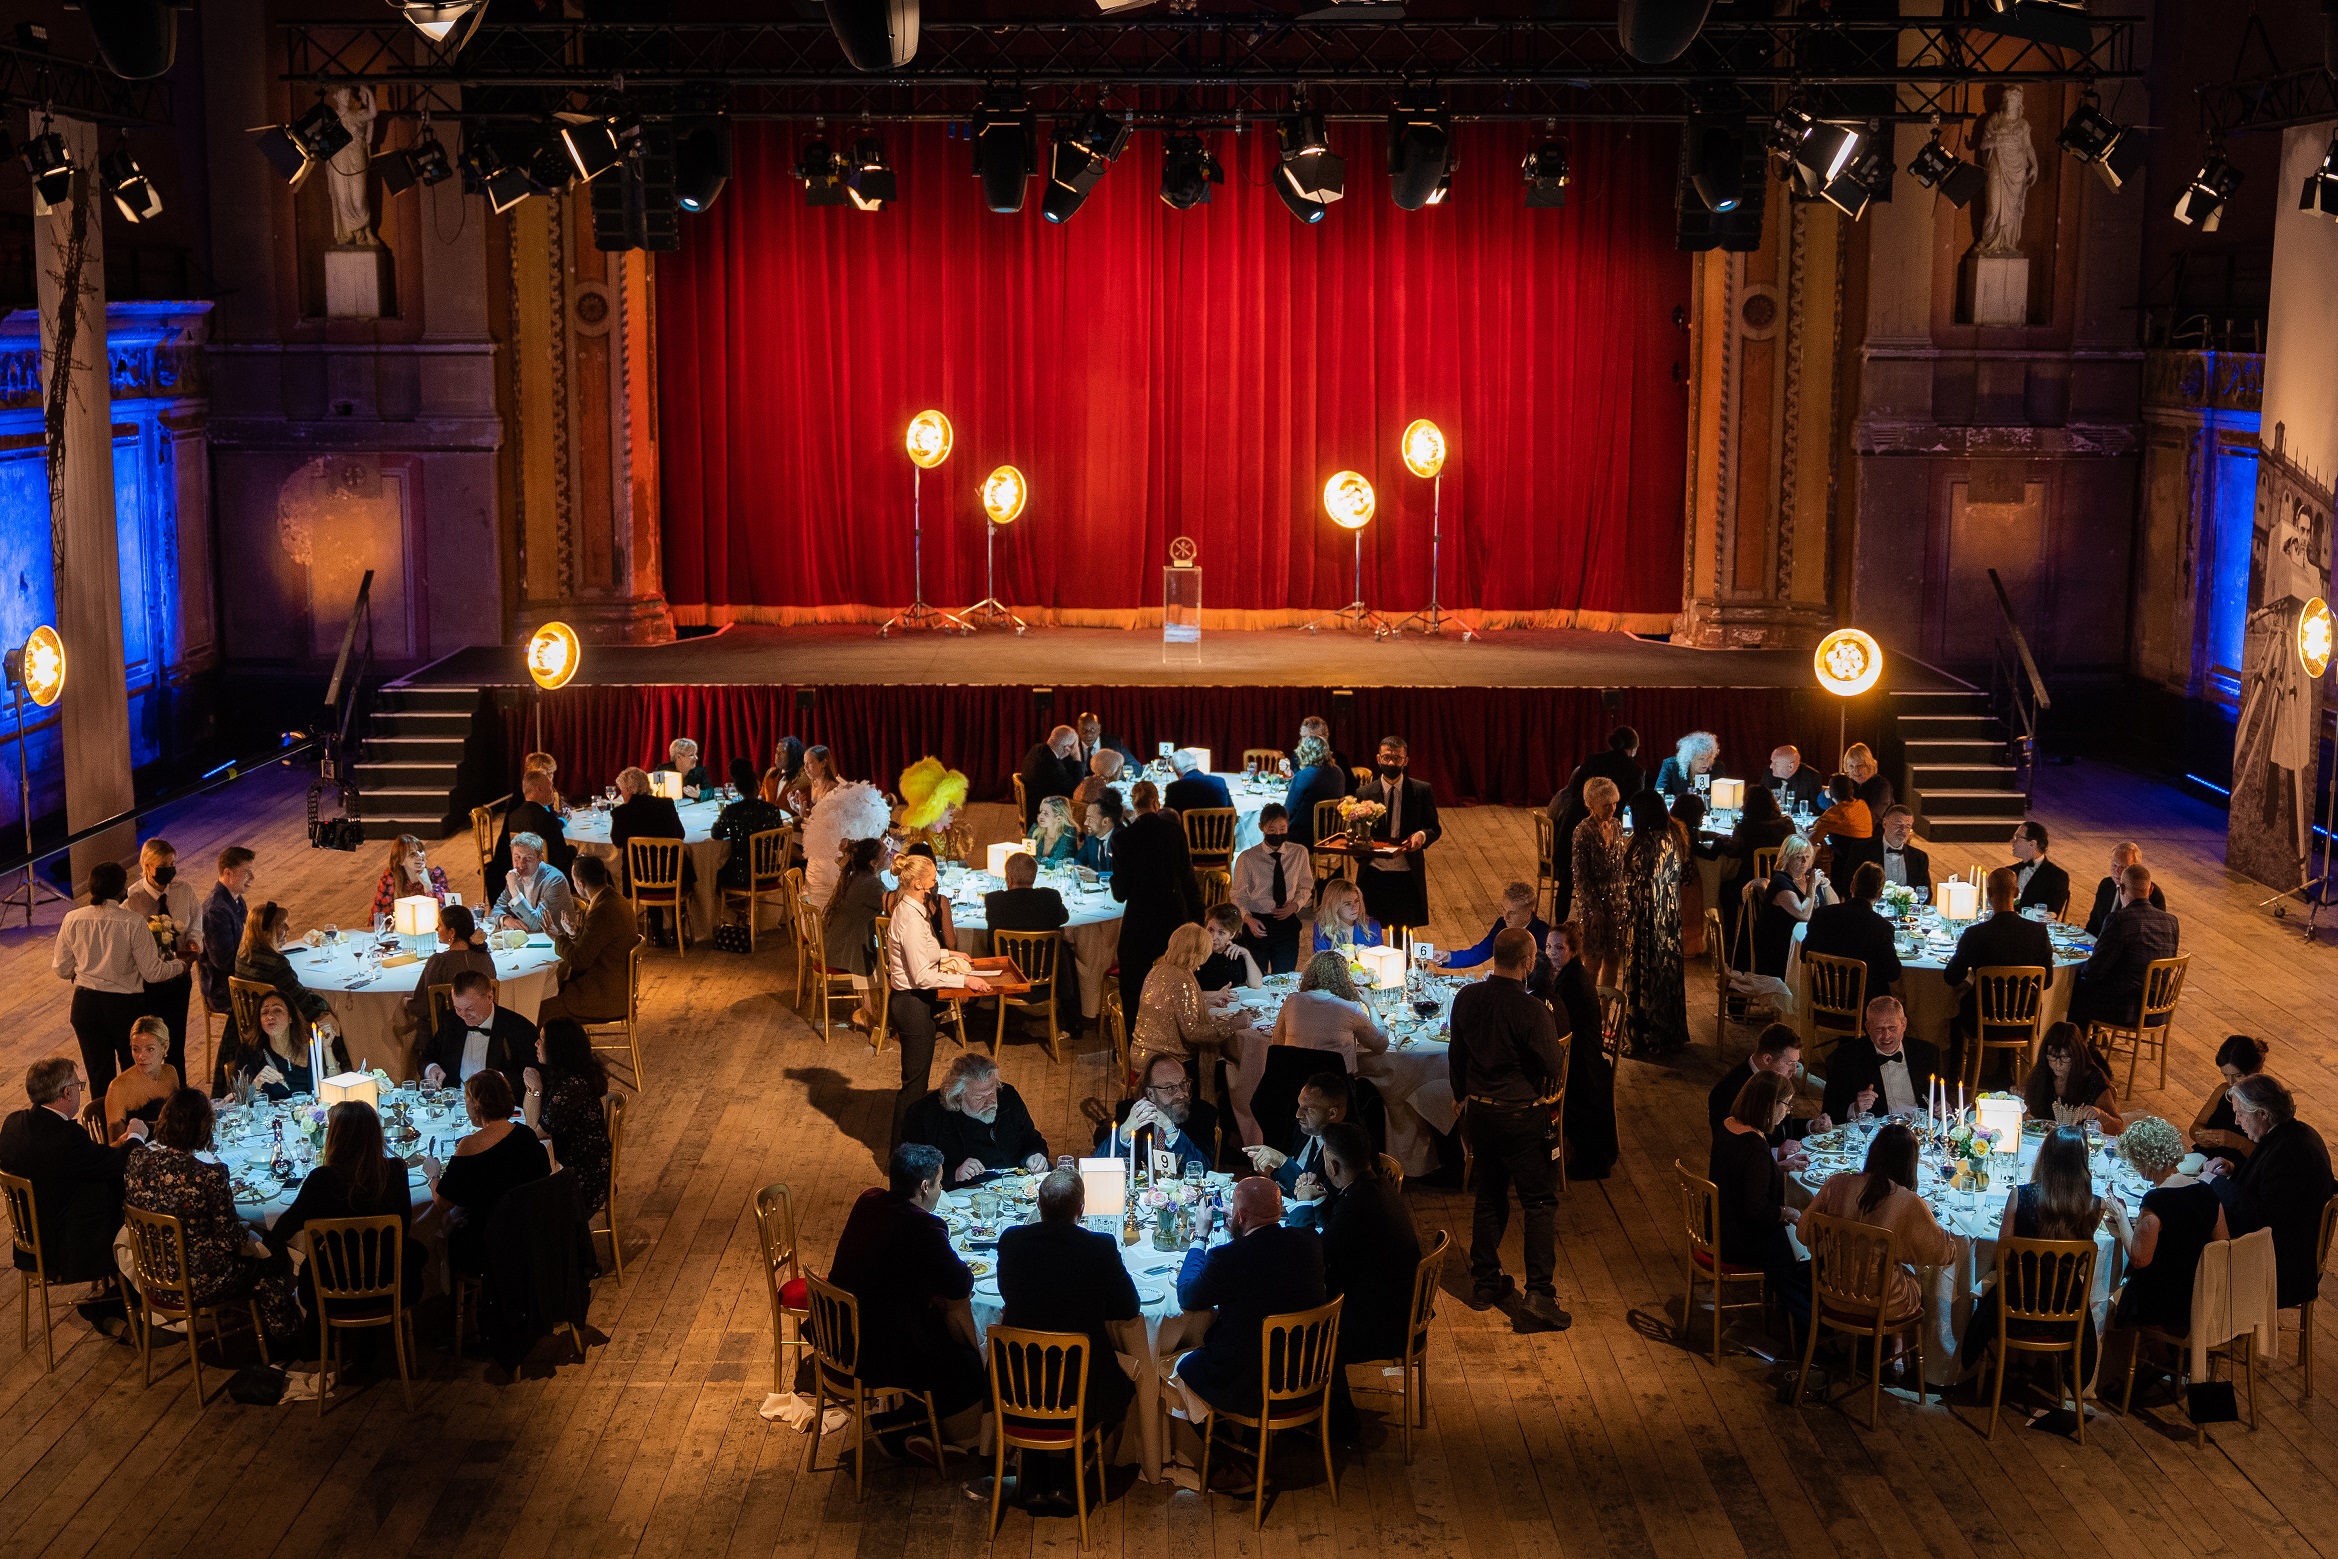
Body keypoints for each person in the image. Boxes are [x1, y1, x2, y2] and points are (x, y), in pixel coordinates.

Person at [1448, 928, 1570, 1327]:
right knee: (1537, 1202)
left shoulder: (1467, 998)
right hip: (1521, 1116)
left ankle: (1484, 1283)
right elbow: (1553, 1066)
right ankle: (1539, 1295)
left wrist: (1460, 1095)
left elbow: (1456, 1055)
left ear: (1495, 955)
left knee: (1488, 1196)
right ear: (1529, 962)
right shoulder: (1532, 1010)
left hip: (1480, 1114)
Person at [995, 1169, 1141, 1505]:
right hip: (1082, 1381)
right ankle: (1071, 1471)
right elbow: (1130, 1306)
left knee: (1036, 1385)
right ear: (1082, 1209)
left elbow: (1007, 1293)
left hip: (1018, 1380)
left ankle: (1032, 1474)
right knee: (1127, 1386)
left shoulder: (1012, 1241)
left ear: (1039, 1206)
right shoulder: (1099, 1247)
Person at [830, 1143, 986, 1454]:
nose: (941, 1189)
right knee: (968, 1363)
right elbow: (959, 1284)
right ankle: (910, 1433)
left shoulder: (869, 1199)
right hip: (874, 1348)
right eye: (940, 1183)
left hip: (836, 1330)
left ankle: (914, 1426)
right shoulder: (924, 1226)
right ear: (925, 1186)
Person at [125, 1088, 301, 1339]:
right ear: (204, 1128)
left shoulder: (136, 1159)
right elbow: (228, 1239)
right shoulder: (209, 1175)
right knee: (275, 1256)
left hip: (154, 1278)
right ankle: (283, 1335)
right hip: (202, 1283)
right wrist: (255, 1238)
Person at [1170, 1177, 1327, 1436]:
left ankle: (1220, 1456)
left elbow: (1188, 1296)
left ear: (1240, 1215)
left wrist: (1199, 1237)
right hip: (1306, 1375)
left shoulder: (1228, 1258)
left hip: (1250, 1385)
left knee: (1181, 1366)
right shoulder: (1310, 1242)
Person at [1, 1058, 143, 1305]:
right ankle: (137, 1298)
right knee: (132, 1210)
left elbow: (78, 1163)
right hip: (64, 1246)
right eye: (79, 1085)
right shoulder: (66, 1138)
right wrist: (135, 1136)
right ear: (67, 1092)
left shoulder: (13, 1123)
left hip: (29, 1240)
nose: (79, 1091)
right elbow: (115, 1166)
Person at [1963, 1127, 2102, 1373]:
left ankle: (2015, 1361)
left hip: (2017, 1305)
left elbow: (2003, 1255)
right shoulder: (2093, 1205)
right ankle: (2028, 1363)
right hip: (2066, 1308)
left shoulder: (2021, 1196)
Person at [1317, 1122, 1420, 1438]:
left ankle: (1338, 1423)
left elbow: (1319, 1256)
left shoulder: (1355, 1206)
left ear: (1334, 1166)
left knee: (1310, 1328)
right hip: (1400, 1307)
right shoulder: (1379, 1187)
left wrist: (1305, 1210)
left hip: (1384, 1326)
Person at [54, 861, 192, 1096]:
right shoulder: (133, 922)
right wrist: (181, 965)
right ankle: (137, 1129)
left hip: (85, 1006)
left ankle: (105, 1127)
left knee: (99, 1078)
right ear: (122, 890)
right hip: (124, 1006)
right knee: (137, 1074)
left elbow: (62, 969)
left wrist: (84, 970)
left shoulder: (72, 918)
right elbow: (153, 972)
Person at [2201, 1073, 2337, 1311]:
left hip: (2281, 1265)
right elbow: (2267, 1181)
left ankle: (2202, 1330)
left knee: (2191, 1247)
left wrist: (2215, 1183)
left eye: (2240, 1113)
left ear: (2263, 1113)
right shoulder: (2289, 1134)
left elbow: (2262, 1218)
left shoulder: (2292, 1152)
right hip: (2282, 1249)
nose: (2236, 1122)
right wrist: (2233, 1170)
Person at [885, 854, 994, 1149]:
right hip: (910, 1004)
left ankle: (910, 1145)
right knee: (914, 1086)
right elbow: (921, 975)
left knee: (916, 1082)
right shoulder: (909, 917)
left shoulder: (914, 908)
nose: (935, 882)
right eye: (932, 878)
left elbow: (921, 954)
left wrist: (950, 955)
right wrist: (965, 980)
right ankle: (901, 1152)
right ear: (919, 883)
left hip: (915, 1002)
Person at [271, 1100, 424, 1307]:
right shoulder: (395, 1171)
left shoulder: (322, 1179)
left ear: (335, 1137)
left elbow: (282, 1230)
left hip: (333, 1288)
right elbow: (402, 1227)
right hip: (390, 1281)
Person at [1807, 1123, 1955, 1320]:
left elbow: (1803, 1233)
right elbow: (1943, 1254)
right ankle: (1897, 1346)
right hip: (1884, 1304)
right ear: (1910, 1162)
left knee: (1897, 1270)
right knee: (1916, 1280)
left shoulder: (1836, 1184)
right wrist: (1930, 1219)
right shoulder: (1907, 1202)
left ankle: (1871, 1345)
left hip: (1833, 1292)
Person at [2106, 1115, 2227, 1333]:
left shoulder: (2156, 1201)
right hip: (2201, 1296)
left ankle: (2152, 1359)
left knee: (2109, 1301)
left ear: (2145, 1161)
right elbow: (2222, 1244)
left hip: (2163, 1302)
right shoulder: (2207, 1192)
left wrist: (2120, 1213)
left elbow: (2140, 1258)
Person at [433, 1068, 553, 1278]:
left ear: (477, 1104)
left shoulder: (469, 1147)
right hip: (532, 1237)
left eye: (466, 1099)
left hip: (488, 1246)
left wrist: (432, 1175)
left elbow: (443, 1203)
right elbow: (545, 1174)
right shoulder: (526, 1135)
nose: (466, 1105)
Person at [1711, 1071, 1809, 1323]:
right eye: (1786, 1104)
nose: (1788, 1112)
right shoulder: (1755, 1146)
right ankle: (1807, 1323)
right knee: (1805, 1253)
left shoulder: (1729, 1125)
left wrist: (1779, 1166)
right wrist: (1790, 1212)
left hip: (1721, 1224)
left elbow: (1741, 1176)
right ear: (1769, 1104)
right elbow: (1757, 1210)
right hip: (1742, 1240)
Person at [1110, 780, 1202, 1022]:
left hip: (1140, 922)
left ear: (1134, 804)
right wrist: (1197, 918)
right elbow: (1187, 878)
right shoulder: (1174, 832)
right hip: (1173, 917)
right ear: (1155, 802)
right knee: (1176, 980)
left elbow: (1120, 893)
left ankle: (1135, 1040)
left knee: (1133, 985)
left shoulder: (1122, 840)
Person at [1530, 922, 1615, 1179]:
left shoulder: (1572, 982)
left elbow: (1557, 1027)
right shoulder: (1567, 974)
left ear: (1574, 950)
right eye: (1547, 946)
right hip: (1582, 1054)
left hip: (1581, 1063)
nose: (1552, 952)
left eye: (1559, 947)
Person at [902, 1053, 1049, 1189]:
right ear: (958, 1096)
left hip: (1016, 1183)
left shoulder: (1008, 1097)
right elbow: (911, 1175)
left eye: (992, 1092)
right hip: (962, 1192)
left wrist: (1035, 1154)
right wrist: (955, 1173)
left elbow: (1032, 1140)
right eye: (979, 1098)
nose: (989, 1102)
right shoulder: (924, 1116)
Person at [124, 838, 201, 1081]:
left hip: (179, 977)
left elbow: (196, 925)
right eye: (163, 864)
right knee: (151, 1042)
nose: (170, 868)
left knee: (176, 1042)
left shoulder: (184, 891)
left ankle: (179, 1093)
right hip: (149, 983)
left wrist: (193, 942)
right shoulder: (132, 900)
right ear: (147, 867)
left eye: (172, 863)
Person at [232, 900, 345, 1064]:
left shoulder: (242, 956)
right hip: (279, 1028)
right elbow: (302, 1003)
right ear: (268, 932)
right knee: (334, 1027)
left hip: (249, 1025)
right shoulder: (276, 964)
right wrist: (324, 1007)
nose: (288, 930)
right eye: (282, 925)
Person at [1942, 868, 2054, 1032]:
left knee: (1956, 1006)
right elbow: (2047, 982)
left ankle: (1956, 1057)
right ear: (2016, 893)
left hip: (1981, 1018)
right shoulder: (2038, 933)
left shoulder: (1975, 934)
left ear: (1988, 893)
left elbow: (1951, 977)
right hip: (2024, 1018)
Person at [1620, 789, 1689, 1056]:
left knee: (1645, 972)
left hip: (1646, 919)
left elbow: (1637, 879)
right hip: (1667, 917)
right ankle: (1667, 1033)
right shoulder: (1673, 834)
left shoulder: (1647, 842)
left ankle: (1644, 1037)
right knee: (1665, 973)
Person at [1349, 735, 1440, 936]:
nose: (1391, 763)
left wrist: (1422, 835)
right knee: (1366, 932)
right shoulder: (1364, 792)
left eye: (1397, 759)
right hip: (1373, 872)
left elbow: (1434, 828)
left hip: (1405, 874)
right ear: (1378, 758)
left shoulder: (1420, 790)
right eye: (1387, 757)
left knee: (1403, 935)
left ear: (1405, 761)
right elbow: (1355, 832)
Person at [2069, 863, 2179, 1028]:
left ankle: (2080, 1046)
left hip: (2125, 1009)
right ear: (2150, 889)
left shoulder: (2119, 920)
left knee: (2073, 990)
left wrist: (2075, 970)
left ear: (2120, 888)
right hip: (2158, 1008)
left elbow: (2095, 970)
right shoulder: (2171, 921)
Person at [523, 1018, 613, 1219]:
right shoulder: (562, 1077)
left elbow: (535, 1133)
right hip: (570, 1167)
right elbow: (532, 1124)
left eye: (542, 1040)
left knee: (520, 1199)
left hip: (583, 1179)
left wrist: (535, 1089)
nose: (536, 1044)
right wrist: (533, 1090)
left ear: (559, 1048)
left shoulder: (573, 1088)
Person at [1132, 922, 1242, 1084]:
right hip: (1164, 1061)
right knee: (1231, 1069)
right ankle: (1211, 1108)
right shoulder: (1182, 979)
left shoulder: (1158, 969)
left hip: (1139, 1053)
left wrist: (1205, 1002)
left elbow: (1170, 1010)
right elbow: (1193, 1033)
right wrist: (1235, 1024)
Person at [536, 854, 639, 1025]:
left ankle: (552, 1052)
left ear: (581, 884)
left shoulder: (602, 911)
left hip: (603, 997)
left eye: (574, 881)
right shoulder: (614, 899)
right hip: (616, 988)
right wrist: (575, 932)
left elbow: (578, 960)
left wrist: (557, 936)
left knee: (534, 1013)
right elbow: (598, 943)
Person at [1243, 1072, 1354, 1220]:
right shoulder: (1300, 1130)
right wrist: (1273, 1170)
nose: (1298, 1114)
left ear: (1332, 1114)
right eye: (1299, 1105)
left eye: (1308, 1109)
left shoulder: (1345, 1147)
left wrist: (1283, 1162)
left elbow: (1314, 1196)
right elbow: (1292, 1187)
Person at [1820, 997, 1941, 1123]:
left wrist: (1944, 1107)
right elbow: (1829, 1112)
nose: (1886, 1035)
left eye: (1892, 1028)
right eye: (1879, 1029)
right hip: (1876, 1136)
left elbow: (1943, 1095)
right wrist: (1855, 1109)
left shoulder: (1928, 1053)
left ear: (1903, 1024)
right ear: (1868, 1028)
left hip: (1918, 1131)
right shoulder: (1846, 1057)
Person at [1707, 1024, 1828, 1146]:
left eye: (1796, 1063)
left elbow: (1781, 1129)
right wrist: (1777, 1155)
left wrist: (1810, 1126)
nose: (1794, 1070)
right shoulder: (1727, 1091)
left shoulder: (1778, 1079)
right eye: (1790, 1063)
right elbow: (1731, 1147)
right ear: (1767, 1059)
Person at [1097, 1053, 1220, 1172]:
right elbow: (1098, 1164)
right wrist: (1125, 1130)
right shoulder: (1130, 1111)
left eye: (1183, 1084)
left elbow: (1203, 1170)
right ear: (1151, 1094)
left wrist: (1170, 1130)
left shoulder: (1202, 1113)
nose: (1182, 1094)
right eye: (1170, 1088)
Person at [423, 969, 537, 1098]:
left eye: (470, 1009)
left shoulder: (518, 1027)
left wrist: (501, 1080)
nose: (463, 1015)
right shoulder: (451, 1022)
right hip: (454, 1103)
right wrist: (431, 1068)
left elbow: (536, 1075)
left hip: (498, 1105)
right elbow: (426, 1056)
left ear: (489, 997)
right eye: (458, 1008)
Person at [1800, 861, 1902, 1005]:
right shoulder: (1882, 927)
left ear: (1852, 887)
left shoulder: (1822, 915)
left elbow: (1804, 955)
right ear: (1879, 894)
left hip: (1824, 1000)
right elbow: (1893, 973)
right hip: (1866, 1007)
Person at [1229, 802, 1312, 975]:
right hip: (1258, 922)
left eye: (1282, 828)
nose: (1278, 834)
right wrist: (1248, 919)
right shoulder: (1248, 858)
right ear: (1262, 828)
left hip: (1286, 920)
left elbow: (1305, 885)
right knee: (1255, 976)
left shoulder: (1299, 853)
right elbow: (1238, 895)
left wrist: (1295, 905)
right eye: (1272, 830)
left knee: (1284, 976)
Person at [1272, 951, 1389, 1071]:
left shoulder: (1292, 1001)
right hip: (1336, 1085)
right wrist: (1371, 1005)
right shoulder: (1349, 1009)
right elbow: (1381, 1045)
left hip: (1295, 1081)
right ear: (1343, 978)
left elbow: (1277, 1041)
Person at [1715, 785, 1795, 961]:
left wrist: (1722, 841)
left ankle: (1731, 942)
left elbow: (1732, 851)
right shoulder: (1787, 824)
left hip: (1750, 884)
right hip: (1782, 884)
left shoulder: (1745, 827)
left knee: (1725, 891)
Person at [608, 767, 686, 941]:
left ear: (632, 789)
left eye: (623, 790)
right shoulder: (666, 805)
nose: (622, 795)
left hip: (639, 879)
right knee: (681, 870)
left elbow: (618, 842)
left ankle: (657, 934)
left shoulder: (622, 813)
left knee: (647, 871)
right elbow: (680, 835)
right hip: (672, 876)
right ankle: (677, 932)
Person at [199, 846, 256, 1075]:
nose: (252, 878)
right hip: (224, 989)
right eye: (246, 872)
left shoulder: (237, 901)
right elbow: (224, 962)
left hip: (237, 978)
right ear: (228, 873)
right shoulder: (216, 910)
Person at [824, 836, 889, 1030]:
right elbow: (895, 907)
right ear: (873, 862)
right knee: (886, 958)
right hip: (844, 950)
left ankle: (871, 1008)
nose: (891, 856)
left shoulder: (860, 877)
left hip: (838, 942)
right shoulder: (870, 885)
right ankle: (872, 1012)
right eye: (886, 854)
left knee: (877, 949)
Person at [1568, 776, 1627, 989]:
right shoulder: (1583, 831)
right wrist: (1594, 910)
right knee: (1592, 962)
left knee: (1613, 960)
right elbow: (1580, 876)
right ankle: (1590, 1010)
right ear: (1591, 804)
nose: (1612, 808)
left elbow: (1622, 866)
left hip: (1618, 905)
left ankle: (1605, 1011)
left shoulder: (1618, 826)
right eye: (1606, 804)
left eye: (1614, 803)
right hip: (1594, 909)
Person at [239, 990, 350, 1099]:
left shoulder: (312, 1045)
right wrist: (257, 1083)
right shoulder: (249, 1052)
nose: (270, 1016)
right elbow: (242, 1102)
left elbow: (337, 1088)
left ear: (291, 1018)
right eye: (264, 1012)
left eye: (277, 1010)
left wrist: (327, 1049)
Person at [1752, 836, 1834, 980]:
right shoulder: (1780, 882)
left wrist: (1825, 885)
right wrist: (1813, 885)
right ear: (1787, 858)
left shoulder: (1807, 879)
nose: (1804, 862)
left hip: (1804, 943)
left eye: (1807, 857)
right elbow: (1803, 914)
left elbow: (1834, 907)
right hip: (1781, 951)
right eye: (1799, 857)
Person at [406, 903, 497, 1028]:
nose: (436, 929)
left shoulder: (440, 962)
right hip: (485, 1027)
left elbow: (422, 1008)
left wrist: (405, 1003)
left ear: (452, 932)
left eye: (440, 925)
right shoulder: (484, 957)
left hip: (448, 1035)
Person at [2022, 1021, 2124, 1131]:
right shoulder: (2043, 1071)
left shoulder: (2093, 1079)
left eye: (2065, 1058)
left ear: (2076, 1056)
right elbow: (2029, 1113)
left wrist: (2101, 1114)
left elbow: (2118, 1128)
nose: (2057, 1064)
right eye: (2052, 1057)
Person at [712, 757, 790, 892]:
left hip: (740, 875)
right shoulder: (771, 809)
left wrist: (733, 832)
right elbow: (780, 841)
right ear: (757, 785)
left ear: (737, 788)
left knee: (714, 876)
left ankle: (738, 910)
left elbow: (716, 833)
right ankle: (745, 909)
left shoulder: (732, 811)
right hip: (770, 872)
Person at [488, 768, 574, 888]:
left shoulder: (513, 817)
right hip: (551, 880)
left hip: (524, 879)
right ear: (539, 789)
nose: (552, 791)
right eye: (550, 787)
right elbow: (562, 859)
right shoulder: (547, 819)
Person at [2191, 1035, 2270, 1161]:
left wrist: (2236, 1142)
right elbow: (2196, 1127)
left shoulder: (2267, 1103)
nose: (2231, 1082)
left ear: (2256, 1069)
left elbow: (2267, 1158)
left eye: (2238, 1075)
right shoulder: (2223, 1090)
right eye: (2225, 1075)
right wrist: (2202, 1136)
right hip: (2202, 1160)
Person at [1440, 881, 1549, 971]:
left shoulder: (1544, 934)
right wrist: (1447, 957)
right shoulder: (1501, 925)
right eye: (1503, 909)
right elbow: (1479, 953)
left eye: (1512, 913)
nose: (1506, 917)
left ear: (1528, 913)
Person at [104, 1017, 179, 1144]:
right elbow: (114, 1147)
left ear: (165, 1047)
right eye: (135, 1049)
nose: (141, 1056)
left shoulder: (170, 1073)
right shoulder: (118, 1088)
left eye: (150, 1049)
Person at [493, 831, 575, 938]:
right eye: (517, 857)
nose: (521, 863)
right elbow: (496, 910)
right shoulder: (515, 876)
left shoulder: (555, 881)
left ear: (540, 858)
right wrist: (506, 919)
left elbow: (537, 924)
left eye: (528, 858)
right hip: (528, 938)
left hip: (556, 942)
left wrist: (514, 891)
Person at [2084, 842, 2167, 937]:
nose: (2117, 872)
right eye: (2114, 865)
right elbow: (2093, 926)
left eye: (2123, 867)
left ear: (2136, 868)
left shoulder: (2153, 895)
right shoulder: (2106, 885)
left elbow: (2154, 936)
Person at [368, 834, 453, 925]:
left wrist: (428, 885)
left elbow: (446, 914)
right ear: (401, 861)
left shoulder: (436, 875)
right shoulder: (390, 881)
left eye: (420, 851)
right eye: (412, 854)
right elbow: (378, 917)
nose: (419, 856)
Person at [1282, 736, 1348, 850]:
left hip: (1305, 837)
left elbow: (1288, 811)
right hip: (1332, 835)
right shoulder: (1338, 772)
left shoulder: (1305, 775)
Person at [983, 851, 1069, 937]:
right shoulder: (1051, 897)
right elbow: (1064, 918)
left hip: (1003, 950)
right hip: (1044, 950)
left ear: (1009, 879)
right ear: (1034, 877)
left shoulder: (994, 900)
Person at [1018, 725, 1083, 829]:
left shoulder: (1036, 749)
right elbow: (1076, 787)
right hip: (1040, 813)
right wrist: (1077, 758)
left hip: (1032, 804)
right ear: (1067, 748)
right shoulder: (1052, 766)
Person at [1811, 774, 1875, 872]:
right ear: (1852, 791)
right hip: (1864, 864)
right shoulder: (1862, 805)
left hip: (1842, 866)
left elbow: (1812, 841)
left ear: (1830, 794)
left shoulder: (1833, 814)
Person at [2008, 820, 2071, 918]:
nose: (2012, 841)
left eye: (2017, 838)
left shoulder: (2057, 876)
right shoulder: (2009, 872)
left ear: (2032, 844)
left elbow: (2052, 913)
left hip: (2034, 930)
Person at [1197, 904, 1264, 992]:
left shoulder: (1234, 951)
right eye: (1210, 930)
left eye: (1221, 933)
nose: (1213, 937)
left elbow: (1256, 984)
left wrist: (1246, 954)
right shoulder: (1196, 952)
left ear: (1232, 934)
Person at [1310, 878, 1385, 955]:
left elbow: (1379, 958)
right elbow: (1321, 962)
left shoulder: (1373, 926)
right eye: (1347, 904)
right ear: (1334, 906)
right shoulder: (1323, 929)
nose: (1354, 907)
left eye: (1356, 901)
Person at [1874, 805, 1931, 894]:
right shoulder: (1862, 850)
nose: (1903, 830)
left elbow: (1925, 893)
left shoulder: (1919, 858)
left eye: (1907, 826)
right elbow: (1850, 887)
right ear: (1884, 823)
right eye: (1898, 824)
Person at [1759, 745, 1826, 815]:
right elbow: (1759, 798)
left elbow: (1817, 808)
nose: (1771, 766)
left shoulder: (1811, 777)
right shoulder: (1769, 773)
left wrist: (1788, 809)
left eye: (1775, 763)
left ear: (1791, 766)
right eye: (1771, 761)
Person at [1163, 749, 1232, 815]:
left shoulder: (1174, 788)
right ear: (1195, 765)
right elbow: (1231, 812)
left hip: (1186, 827)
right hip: (1219, 827)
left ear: (1177, 773)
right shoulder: (1219, 781)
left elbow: (1169, 817)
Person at [1656, 731, 1720, 798]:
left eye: (1709, 758)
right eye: (1701, 759)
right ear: (1689, 758)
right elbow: (1659, 793)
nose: (1706, 762)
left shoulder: (1716, 769)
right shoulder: (1670, 766)